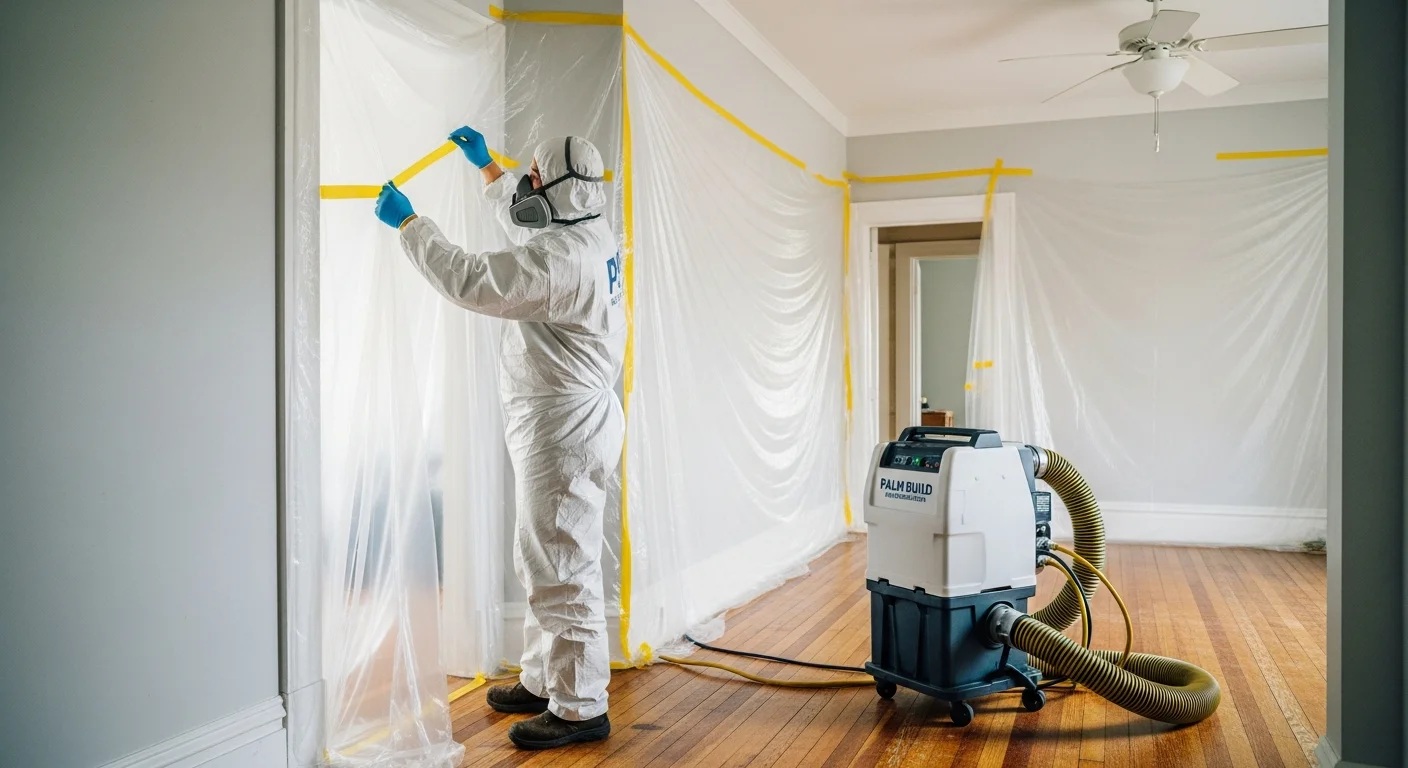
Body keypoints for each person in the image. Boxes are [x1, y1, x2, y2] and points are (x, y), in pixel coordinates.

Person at [374, 126, 625, 750]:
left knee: (562, 562)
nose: (529, 184)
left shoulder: (564, 260)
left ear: (563, 191)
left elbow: (475, 279)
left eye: (538, 178)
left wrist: (412, 228)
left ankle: (579, 707)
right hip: (562, 422)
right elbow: (527, 221)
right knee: (542, 555)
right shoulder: (585, 225)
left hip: (564, 429)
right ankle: (546, 679)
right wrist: (488, 169)